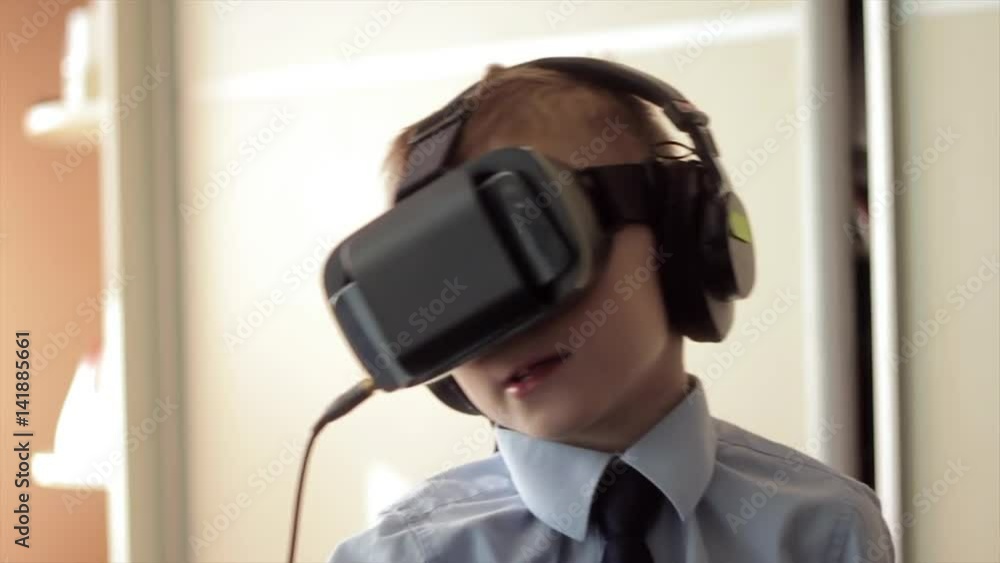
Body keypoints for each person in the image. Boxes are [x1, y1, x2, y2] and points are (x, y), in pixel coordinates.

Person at [328, 60, 894, 563]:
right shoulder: (398, 557)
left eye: (540, 247)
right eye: (454, 294)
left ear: (685, 241)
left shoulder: (823, 529)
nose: (505, 332)